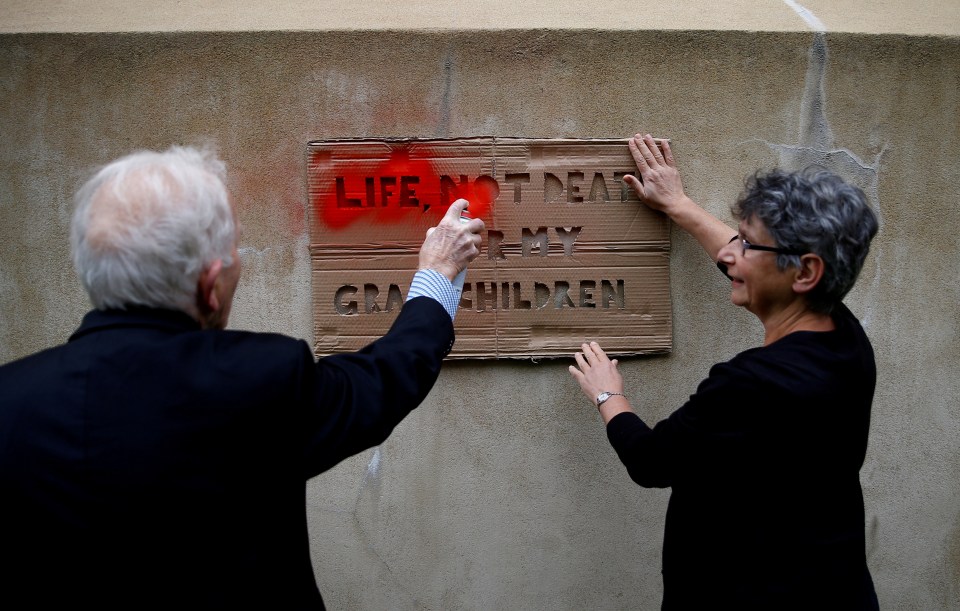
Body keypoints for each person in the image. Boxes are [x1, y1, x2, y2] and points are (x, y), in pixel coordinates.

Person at [0, 145, 484, 609]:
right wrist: (438, 273)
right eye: (234, 255)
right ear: (210, 287)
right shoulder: (261, 381)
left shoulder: (11, 402)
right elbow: (384, 379)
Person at [569, 134, 880, 609]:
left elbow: (652, 462)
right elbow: (740, 262)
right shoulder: (845, 337)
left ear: (805, 273)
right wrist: (679, 205)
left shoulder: (749, 384)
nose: (732, 254)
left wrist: (609, 396)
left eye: (749, 246)